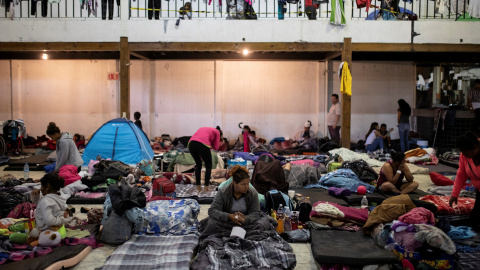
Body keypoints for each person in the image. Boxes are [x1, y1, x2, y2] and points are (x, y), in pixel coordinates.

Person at [449, 131, 480, 229]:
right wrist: (454, 194)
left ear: (475, 148)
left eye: (465, 152)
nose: (463, 154)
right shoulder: (465, 155)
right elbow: (461, 174)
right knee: (474, 220)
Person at [31, 173, 71, 238]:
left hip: (48, 233)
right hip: (60, 230)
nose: (40, 189)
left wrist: (63, 220)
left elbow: (50, 221)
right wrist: (36, 197)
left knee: (31, 233)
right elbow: (41, 207)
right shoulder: (59, 197)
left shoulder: (45, 201)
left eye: (41, 186)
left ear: (47, 186)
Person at [188, 126, 223, 191]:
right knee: (208, 166)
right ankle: (206, 187)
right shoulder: (217, 132)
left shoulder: (202, 128)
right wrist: (219, 144)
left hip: (191, 144)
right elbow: (216, 147)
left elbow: (198, 142)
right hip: (203, 144)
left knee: (198, 164)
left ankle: (198, 186)